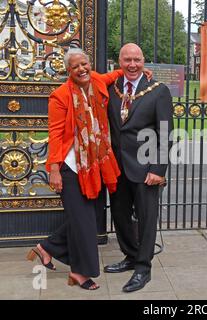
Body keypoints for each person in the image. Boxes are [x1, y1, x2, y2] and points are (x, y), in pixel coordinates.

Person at [26, 48, 123, 290]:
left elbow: (115, 75)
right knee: (85, 224)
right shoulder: (60, 96)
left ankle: (45, 249)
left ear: (90, 64)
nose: (82, 69)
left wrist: (137, 69)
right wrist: (55, 170)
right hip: (71, 168)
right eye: (76, 67)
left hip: (94, 165)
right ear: (69, 71)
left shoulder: (98, 80)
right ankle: (80, 273)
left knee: (85, 219)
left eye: (85, 64)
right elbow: (56, 135)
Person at [104, 43, 173, 293]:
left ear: (144, 61)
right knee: (120, 216)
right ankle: (131, 256)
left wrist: (158, 169)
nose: (132, 64)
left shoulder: (158, 91)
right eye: (127, 60)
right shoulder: (110, 89)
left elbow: (165, 134)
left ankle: (143, 268)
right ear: (119, 62)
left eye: (137, 59)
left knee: (146, 219)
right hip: (116, 168)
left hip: (146, 169)